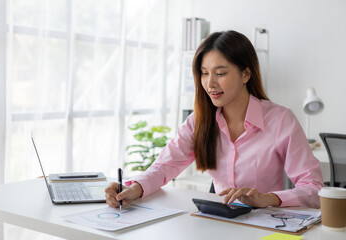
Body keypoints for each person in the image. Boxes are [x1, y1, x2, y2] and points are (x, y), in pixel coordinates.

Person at [105, 30, 324, 209]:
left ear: (245, 74)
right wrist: (134, 189)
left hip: (264, 225)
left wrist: (269, 198)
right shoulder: (199, 121)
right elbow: (164, 167)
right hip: (216, 223)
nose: (210, 84)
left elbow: (313, 188)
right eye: (204, 73)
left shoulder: (280, 120)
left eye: (220, 73)